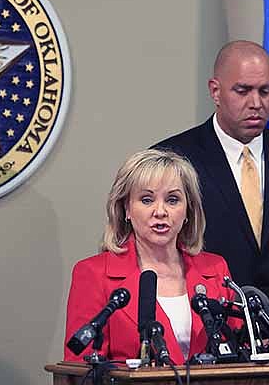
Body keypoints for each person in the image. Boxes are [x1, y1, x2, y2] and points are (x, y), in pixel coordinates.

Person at [155, 40, 269, 344]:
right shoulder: (175, 160)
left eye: (265, 91)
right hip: (207, 348)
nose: (256, 102)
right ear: (215, 91)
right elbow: (162, 259)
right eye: (243, 91)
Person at [63, 149, 239, 364]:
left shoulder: (215, 269)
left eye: (172, 200)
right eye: (147, 200)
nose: (160, 211)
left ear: (188, 211)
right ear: (126, 208)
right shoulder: (93, 274)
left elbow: (240, 352)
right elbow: (81, 366)